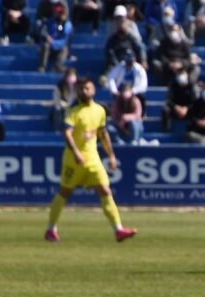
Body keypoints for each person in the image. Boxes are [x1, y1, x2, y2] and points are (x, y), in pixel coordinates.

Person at [45, 78, 136, 242]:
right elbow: (67, 134)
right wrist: (76, 153)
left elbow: (103, 134)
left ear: (93, 90)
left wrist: (112, 155)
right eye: (81, 89)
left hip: (93, 160)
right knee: (65, 192)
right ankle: (51, 229)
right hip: (74, 161)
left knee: (105, 191)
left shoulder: (100, 110)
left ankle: (118, 230)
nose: (84, 91)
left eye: (87, 88)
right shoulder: (73, 112)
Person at [37, 0, 72, 73]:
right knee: (46, 45)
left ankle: (58, 66)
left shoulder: (67, 24)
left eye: (60, 12)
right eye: (56, 12)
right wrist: (47, 36)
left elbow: (65, 38)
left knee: (64, 49)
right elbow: (43, 30)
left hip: (59, 46)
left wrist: (54, 43)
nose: (58, 14)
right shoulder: (49, 21)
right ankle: (42, 67)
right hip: (49, 46)